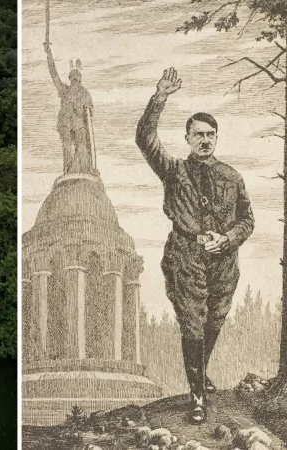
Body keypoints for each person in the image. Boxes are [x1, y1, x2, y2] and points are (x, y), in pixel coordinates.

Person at [135, 67, 254, 424]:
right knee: (192, 323)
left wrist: (228, 239)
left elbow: (247, 220)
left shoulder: (232, 177)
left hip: (224, 261)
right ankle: (197, 396)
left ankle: (199, 372)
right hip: (186, 256)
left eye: (210, 135)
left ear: (216, 139)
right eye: (198, 134)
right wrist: (160, 97)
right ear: (187, 138)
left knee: (215, 319)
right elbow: (144, 138)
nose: (205, 140)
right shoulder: (173, 170)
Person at [44, 41, 95, 174]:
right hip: (66, 122)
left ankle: (82, 168)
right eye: (72, 76)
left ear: (79, 77)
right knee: (67, 147)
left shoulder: (85, 93)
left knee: (81, 144)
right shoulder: (64, 90)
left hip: (78, 124)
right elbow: (54, 74)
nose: (74, 79)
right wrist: (49, 55)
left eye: (76, 76)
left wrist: (84, 110)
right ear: (70, 77)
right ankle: (68, 171)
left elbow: (91, 114)